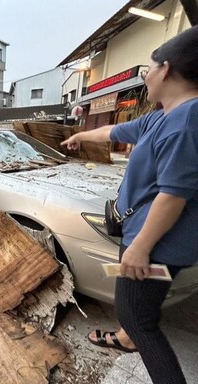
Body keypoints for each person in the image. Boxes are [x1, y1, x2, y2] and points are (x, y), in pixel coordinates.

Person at [62, 26, 198, 384]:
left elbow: (173, 196)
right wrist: (79, 134)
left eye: (146, 70)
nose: (145, 77)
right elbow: (113, 133)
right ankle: (125, 340)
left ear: (165, 69)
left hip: (157, 245)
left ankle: (134, 338)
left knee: (138, 318)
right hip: (148, 238)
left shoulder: (186, 122)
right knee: (142, 306)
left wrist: (139, 249)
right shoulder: (162, 115)